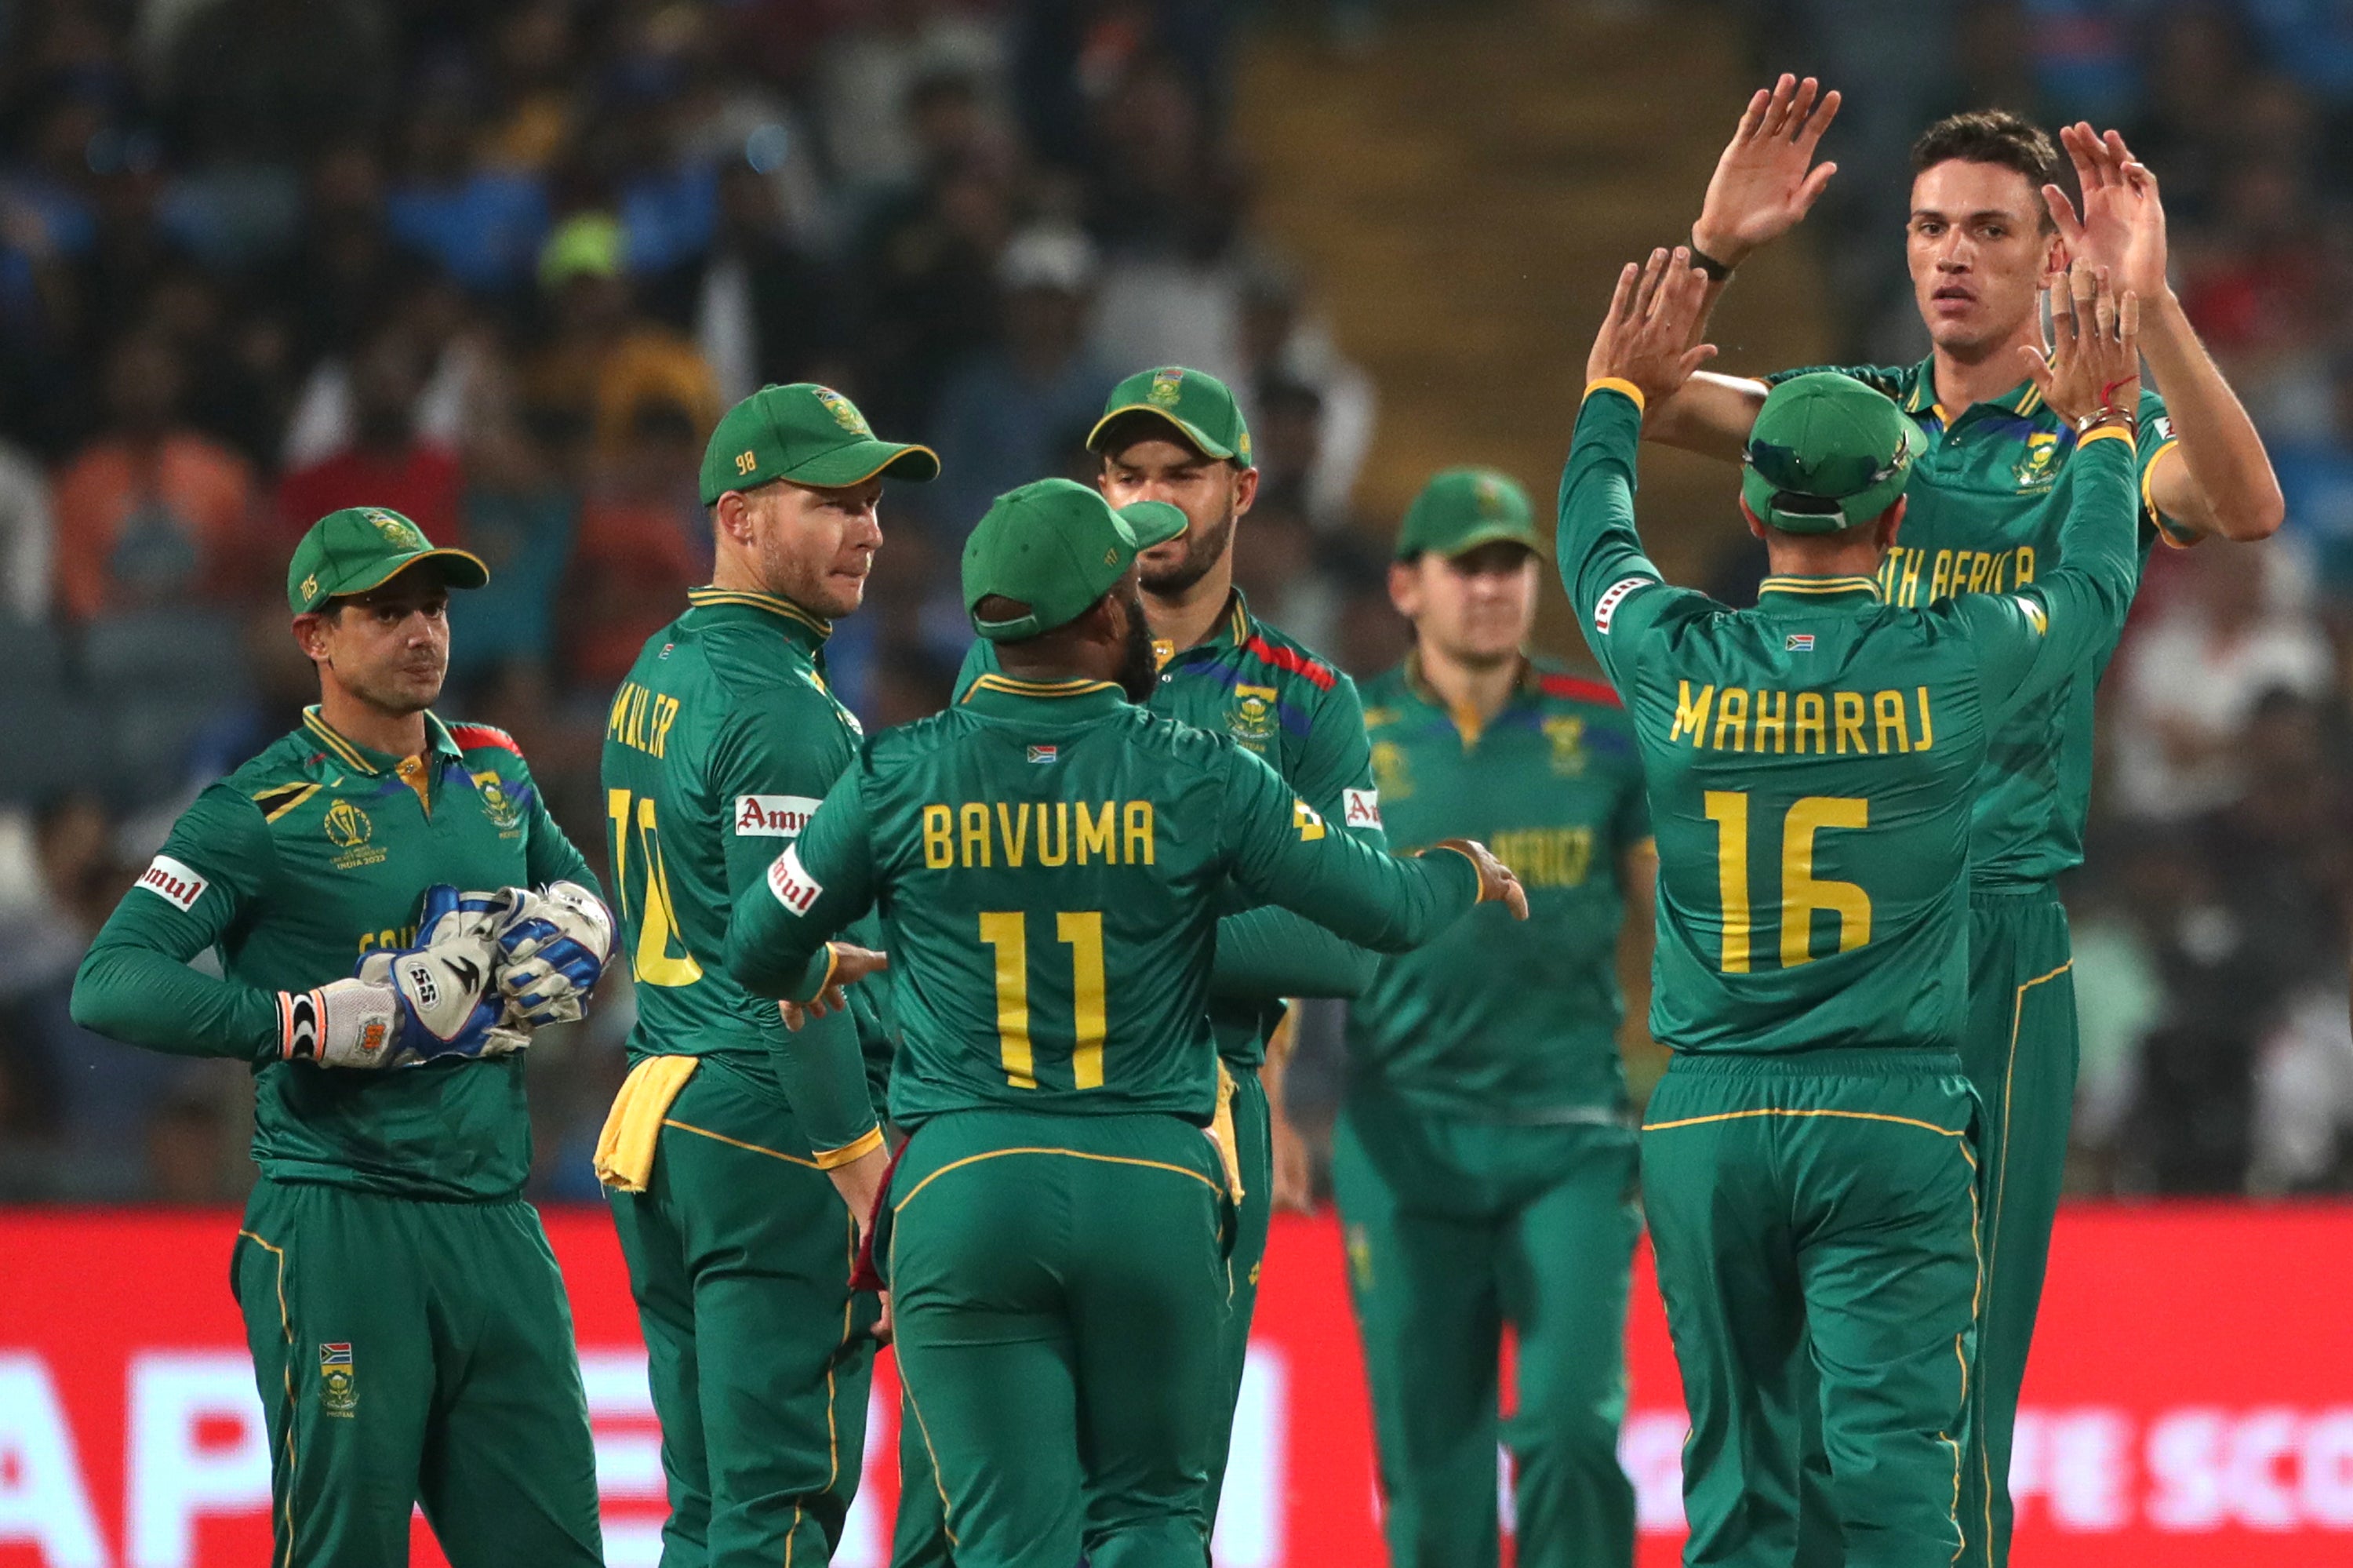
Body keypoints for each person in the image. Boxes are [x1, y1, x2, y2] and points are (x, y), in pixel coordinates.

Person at [1646, 86, 2286, 1564]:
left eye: (1990, 231)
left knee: (1951, 1388)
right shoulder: (1848, 423)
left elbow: (2245, 502)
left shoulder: (2089, 440)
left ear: (2045, 259)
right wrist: (1711, 247)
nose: (1952, 256)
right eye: (1932, 226)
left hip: (1989, 940)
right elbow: (1648, 394)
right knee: (1789, 1398)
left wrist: (2152, 304)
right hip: (1829, 956)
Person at [725, 475, 1529, 1566]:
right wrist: (1463, 872)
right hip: (1150, 1179)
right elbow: (1380, 911)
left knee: (1010, 1540)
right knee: (1150, 1522)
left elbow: (757, 945)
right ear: (1109, 612)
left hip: (965, 1184)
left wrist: (821, 958)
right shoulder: (1203, 773)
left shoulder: (895, 773)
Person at [1565, 247, 2144, 1566]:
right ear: (1899, 521)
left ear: (1756, 510)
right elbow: (2097, 589)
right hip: (1887, 1107)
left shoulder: (1666, 652)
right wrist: (2106, 430)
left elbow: (1592, 537)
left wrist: (1616, 394)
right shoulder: (1952, 662)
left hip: (1707, 1112)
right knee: (1896, 1486)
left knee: (1739, 1488)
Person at [68, 505, 617, 1566]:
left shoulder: (497, 775)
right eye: (385, 612)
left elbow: (579, 897)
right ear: (314, 635)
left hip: (497, 1221)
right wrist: (298, 1022)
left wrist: (580, 938)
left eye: (434, 608)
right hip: (338, 1221)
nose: (423, 633)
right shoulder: (257, 811)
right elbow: (111, 981)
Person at [940, 364, 1384, 1551]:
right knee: (989, 1512)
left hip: (1204, 1112)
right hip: (1001, 1104)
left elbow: (1344, 936)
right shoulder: (1002, 667)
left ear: (1242, 487)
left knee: (1157, 1502)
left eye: (1180, 474)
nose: (1150, 500)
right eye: (1127, 475)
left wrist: (1136, 950)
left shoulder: (1304, 701)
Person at [592, 382, 937, 1566]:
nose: (870, 529)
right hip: (775, 1125)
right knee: (781, 1506)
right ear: (738, 517)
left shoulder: (663, 663)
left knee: (709, 1508)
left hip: (668, 1116)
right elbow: (791, 970)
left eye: (875, 503)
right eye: (833, 502)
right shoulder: (783, 713)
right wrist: (864, 1180)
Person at [1338, 466, 1655, 1568]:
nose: (1492, 587)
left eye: (1511, 564)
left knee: (1572, 1431)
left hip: (1571, 1132)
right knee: (1431, 1462)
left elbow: (1673, 923)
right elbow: (1292, 921)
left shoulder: (1609, 728)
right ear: (1407, 586)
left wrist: (1682, 1081)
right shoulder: (1349, 733)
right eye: (1466, 566)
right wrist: (1276, 1097)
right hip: (1402, 1138)